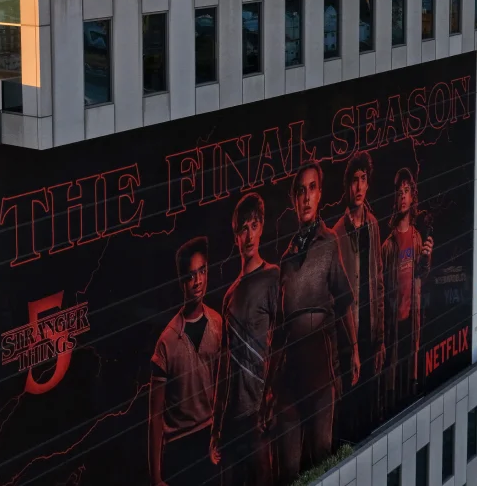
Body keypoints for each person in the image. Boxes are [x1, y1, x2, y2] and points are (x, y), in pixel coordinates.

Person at [263, 162, 358, 482]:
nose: (306, 197)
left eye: (312, 188)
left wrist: (354, 350)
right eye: (300, 191)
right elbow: (278, 334)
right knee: (288, 472)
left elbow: (344, 301)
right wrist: (267, 389)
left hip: (319, 373)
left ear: (320, 194)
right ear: (294, 199)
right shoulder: (286, 259)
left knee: (321, 461)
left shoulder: (329, 242)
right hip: (288, 380)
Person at [211, 195, 279, 486]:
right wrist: (216, 428)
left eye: (253, 226)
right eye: (243, 229)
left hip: (258, 416)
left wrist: (271, 398)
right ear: (236, 236)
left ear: (261, 227)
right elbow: (223, 368)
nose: (249, 235)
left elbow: (282, 341)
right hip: (231, 422)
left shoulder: (273, 277)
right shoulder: (229, 296)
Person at [150, 237, 223, 486]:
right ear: (182, 281)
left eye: (202, 271)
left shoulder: (217, 324)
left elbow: (224, 385)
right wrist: (156, 478)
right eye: (191, 275)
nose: (198, 281)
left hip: (210, 437)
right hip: (179, 447)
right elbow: (155, 415)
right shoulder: (167, 341)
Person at [333, 151, 385, 441]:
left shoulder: (373, 225)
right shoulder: (337, 234)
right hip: (347, 338)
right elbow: (336, 296)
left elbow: (379, 283)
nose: (359, 186)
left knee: (369, 410)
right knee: (348, 412)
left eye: (363, 179)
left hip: (370, 333)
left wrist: (381, 338)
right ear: (347, 185)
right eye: (354, 180)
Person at [380, 168, 433, 414]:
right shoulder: (388, 245)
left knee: (409, 371)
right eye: (399, 192)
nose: (403, 196)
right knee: (391, 373)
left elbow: (422, 274)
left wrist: (427, 258)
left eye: (406, 191)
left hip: (412, 320)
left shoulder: (417, 238)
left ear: (412, 197)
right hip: (392, 321)